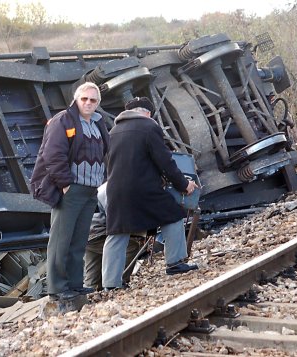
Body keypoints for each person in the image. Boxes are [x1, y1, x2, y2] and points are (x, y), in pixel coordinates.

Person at [103, 96, 198, 289]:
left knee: (117, 231)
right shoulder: (148, 127)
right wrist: (183, 185)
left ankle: (110, 284)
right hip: (143, 188)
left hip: (114, 190)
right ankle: (175, 262)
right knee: (173, 215)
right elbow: (165, 161)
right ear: (147, 113)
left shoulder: (113, 131)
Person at [30, 82, 109, 300]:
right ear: (76, 99)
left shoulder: (98, 122)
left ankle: (75, 284)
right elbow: (52, 154)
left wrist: (100, 180)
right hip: (71, 189)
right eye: (84, 99)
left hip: (90, 190)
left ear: (97, 103)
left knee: (79, 240)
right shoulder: (63, 120)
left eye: (93, 100)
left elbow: (105, 150)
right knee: (61, 240)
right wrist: (65, 184)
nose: (88, 103)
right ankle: (57, 287)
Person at [84, 182, 145, 291]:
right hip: (96, 232)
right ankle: (119, 282)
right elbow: (117, 223)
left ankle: (91, 299)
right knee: (131, 248)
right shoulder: (116, 189)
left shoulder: (109, 185)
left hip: (86, 231)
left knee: (92, 281)